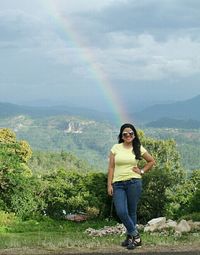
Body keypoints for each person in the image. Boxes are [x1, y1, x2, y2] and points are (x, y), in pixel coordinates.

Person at [107, 123, 155, 250]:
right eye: (125, 134)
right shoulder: (115, 148)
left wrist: (142, 171)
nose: (128, 135)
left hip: (134, 182)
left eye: (131, 133)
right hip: (118, 184)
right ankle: (136, 236)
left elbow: (151, 161)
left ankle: (130, 239)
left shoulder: (138, 147)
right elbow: (111, 167)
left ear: (134, 135)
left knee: (132, 211)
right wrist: (109, 185)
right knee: (121, 211)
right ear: (122, 136)